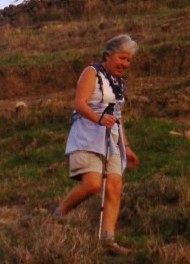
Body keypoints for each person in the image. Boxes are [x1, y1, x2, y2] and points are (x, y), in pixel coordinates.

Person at [51, 34, 140, 255]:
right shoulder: (91, 72)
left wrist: (126, 146)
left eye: (128, 60)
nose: (125, 64)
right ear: (108, 55)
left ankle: (108, 240)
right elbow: (79, 104)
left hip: (112, 140)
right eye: (122, 58)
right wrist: (99, 119)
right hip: (87, 135)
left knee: (115, 187)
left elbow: (118, 116)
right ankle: (58, 214)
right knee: (92, 185)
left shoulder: (120, 84)